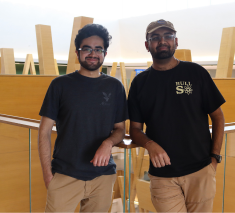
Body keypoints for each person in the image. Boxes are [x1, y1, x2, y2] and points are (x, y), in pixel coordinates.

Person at [128, 19, 225, 212]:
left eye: (168, 36)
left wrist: (214, 158)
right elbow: (135, 130)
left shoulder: (196, 72)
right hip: (163, 176)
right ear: (147, 45)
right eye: (155, 37)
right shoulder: (140, 83)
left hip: (201, 171)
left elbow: (218, 117)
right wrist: (150, 144)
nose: (162, 41)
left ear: (176, 41)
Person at [38, 24, 128, 213]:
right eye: (87, 48)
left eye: (98, 49)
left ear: (104, 53)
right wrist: (47, 174)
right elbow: (44, 131)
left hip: (103, 177)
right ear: (77, 52)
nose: (92, 53)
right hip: (65, 174)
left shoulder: (115, 86)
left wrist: (107, 144)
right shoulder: (60, 85)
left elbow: (120, 129)